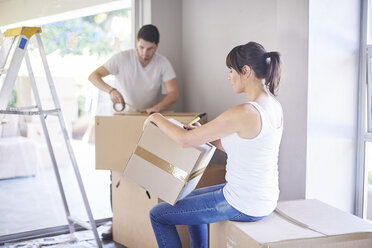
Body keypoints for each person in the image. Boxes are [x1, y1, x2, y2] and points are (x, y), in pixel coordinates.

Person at [144, 41, 283, 248]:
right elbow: (243, 149)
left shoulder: (245, 112)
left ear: (245, 71)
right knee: (186, 197)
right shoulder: (273, 105)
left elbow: (184, 141)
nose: (229, 77)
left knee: (158, 214)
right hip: (263, 198)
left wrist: (156, 117)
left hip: (242, 203)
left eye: (230, 70)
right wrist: (203, 135)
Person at [88, 24, 179, 239]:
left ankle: (138, 222)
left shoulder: (162, 63)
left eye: (149, 49)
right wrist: (110, 90)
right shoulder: (122, 58)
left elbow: (174, 93)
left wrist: (157, 108)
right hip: (122, 118)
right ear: (136, 44)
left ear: (156, 46)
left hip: (148, 120)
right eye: (141, 48)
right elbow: (93, 76)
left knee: (145, 171)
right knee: (116, 172)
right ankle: (116, 223)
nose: (144, 53)